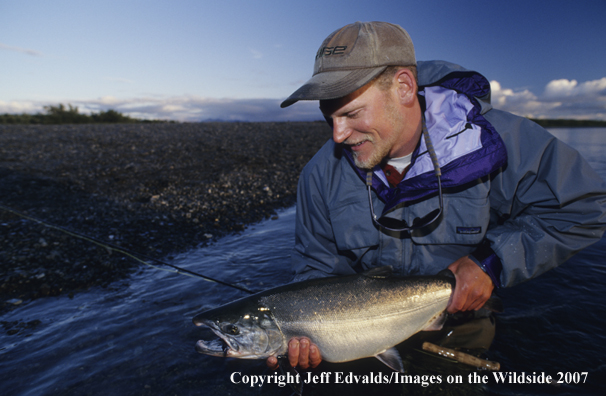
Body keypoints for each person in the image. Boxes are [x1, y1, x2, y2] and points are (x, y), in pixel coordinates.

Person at [267, 21, 606, 370]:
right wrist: (303, 328)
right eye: (329, 117)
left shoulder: (494, 142)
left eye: (351, 114)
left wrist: (491, 263)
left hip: (459, 328)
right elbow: (315, 265)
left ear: (403, 87)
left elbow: (584, 207)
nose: (338, 136)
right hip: (357, 334)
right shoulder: (319, 173)